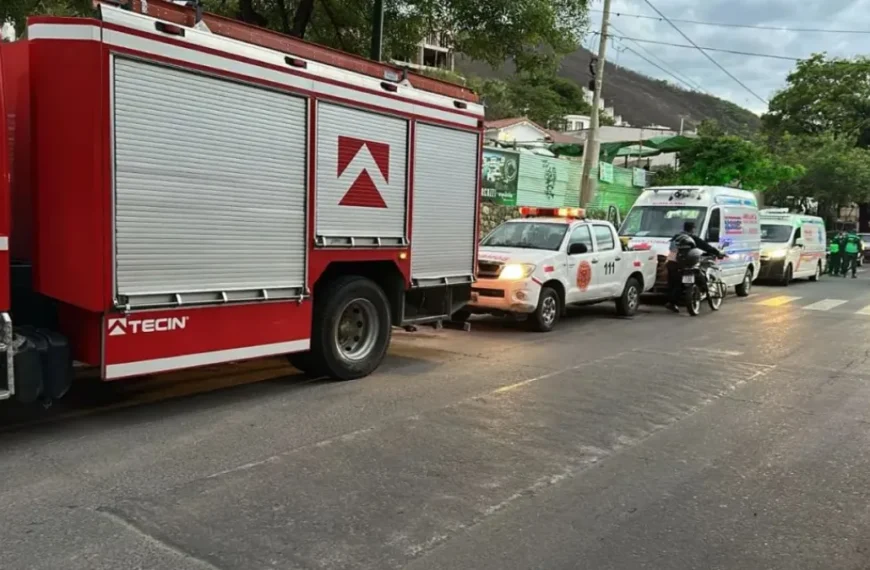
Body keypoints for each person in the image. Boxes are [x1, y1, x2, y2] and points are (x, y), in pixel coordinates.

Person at [665, 221, 724, 313]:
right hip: (685, 263)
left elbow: (671, 249)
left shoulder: (676, 237)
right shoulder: (692, 238)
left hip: (671, 262)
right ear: (692, 229)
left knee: (674, 284)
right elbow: (706, 247)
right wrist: (717, 253)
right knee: (689, 279)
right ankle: (695, 294)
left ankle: (672, 302)